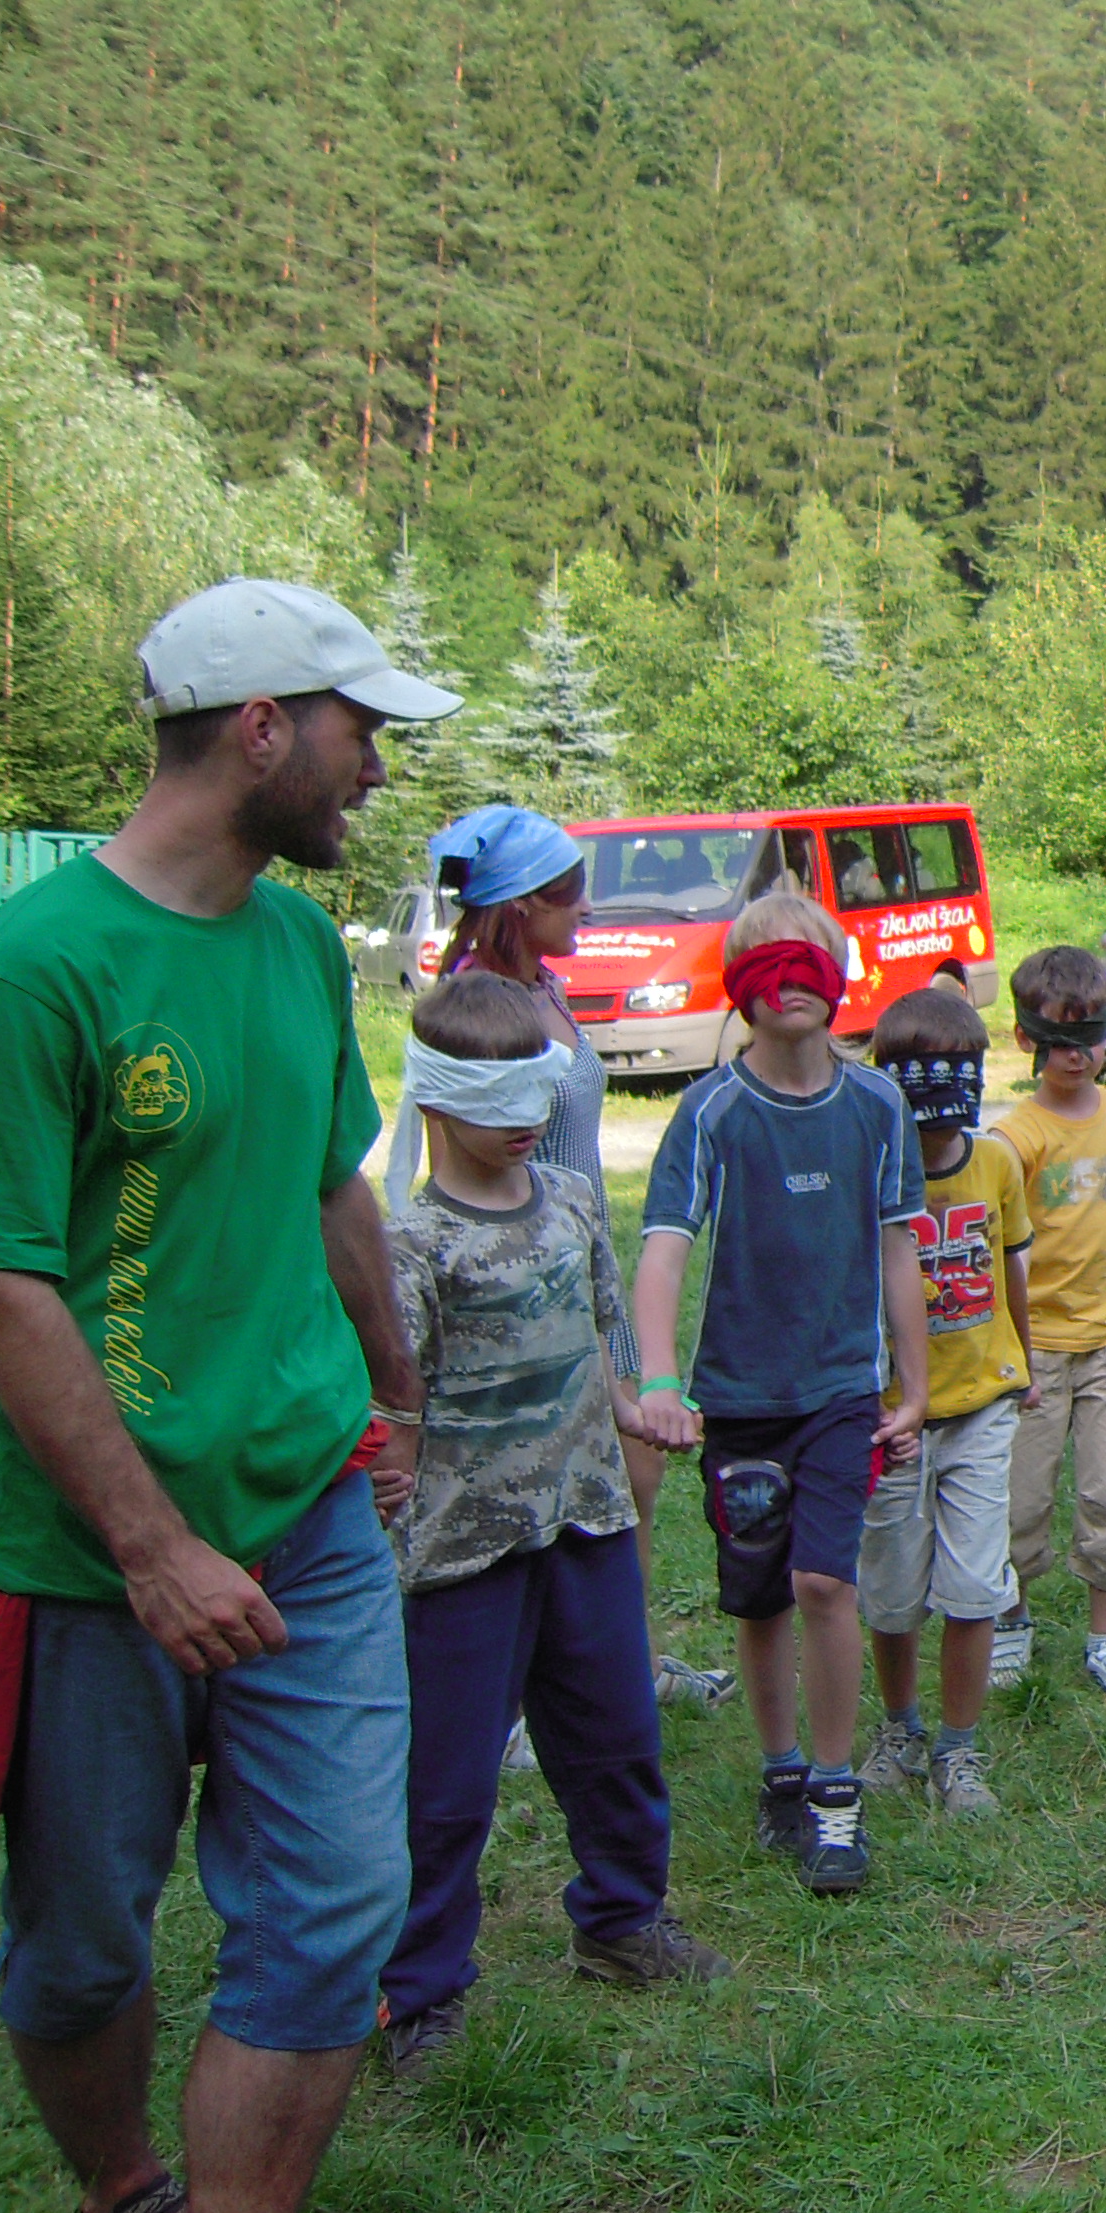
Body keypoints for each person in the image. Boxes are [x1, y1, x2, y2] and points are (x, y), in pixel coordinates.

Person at [0, 578, 451, 2213]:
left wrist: (396, 1396)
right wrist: (153, 1547)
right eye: (358, 730)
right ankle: (122, 2190)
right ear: (260, 728)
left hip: (306, 1513)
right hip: (95, 1559)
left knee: (336, 1902)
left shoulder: (299, 946)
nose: (373, 769)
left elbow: (331, 1189)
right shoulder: (36, 965)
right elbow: (0, 1281)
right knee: (86, 1942)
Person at [376, 973, 726, 2078]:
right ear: (437, 1098)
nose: (529, 1118)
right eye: (501, 1099)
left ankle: (622, 1922)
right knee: (445, 1785)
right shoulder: (411, 1244)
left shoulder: (572, 1201)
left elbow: (600, 1339)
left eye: (542, 1090)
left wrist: (637, 1407)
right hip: (462, 1553)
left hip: (586, 1524)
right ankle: (420, 1991)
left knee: (618, 1739)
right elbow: (394, 1405)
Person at [393, 801, 728, 1710]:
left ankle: (628, 1668)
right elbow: (452, 1156)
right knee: (536, 1496)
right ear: (520, 905)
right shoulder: (475, 1009)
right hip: (523, 1285)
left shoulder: (545, 986)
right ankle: (522, 1696)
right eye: (570, 895)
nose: (586, 910)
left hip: (580, 1252)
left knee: (631, 1473)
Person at [633, 894, 927, 1895]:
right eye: (768, 964)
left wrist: (914, 1382)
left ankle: (837, 1795)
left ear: (839, 978)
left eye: (810, 963)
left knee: (825, 1583)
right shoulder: (711, 1111)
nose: (791, 982)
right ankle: (781, 1772)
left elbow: (898, 1244)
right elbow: (665, 1244)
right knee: (759, 1594)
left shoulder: (878, 1106)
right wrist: (660, 1377)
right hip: (741, 1396)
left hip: (843, 1389)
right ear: (738, 985)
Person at [857, 985, 1031, 1816]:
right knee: (892, 1589)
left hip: (982, 1405)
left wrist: (1023, 1360)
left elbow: (1012, 1266)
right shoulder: (868, 1169)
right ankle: (900, 1729)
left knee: (974, 1586)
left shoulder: (995, 1162)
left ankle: (958, 1750)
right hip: (891, 1415)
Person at [991, 946, 1106, 1697]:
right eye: (1059, 1040)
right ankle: (1010, 1620)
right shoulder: (1013, 1138)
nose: (1077, 1055)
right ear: (1025, 1039)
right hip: (1033, 1349)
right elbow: (1000, 1247)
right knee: (1019, 1498)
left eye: (1090, 1037)